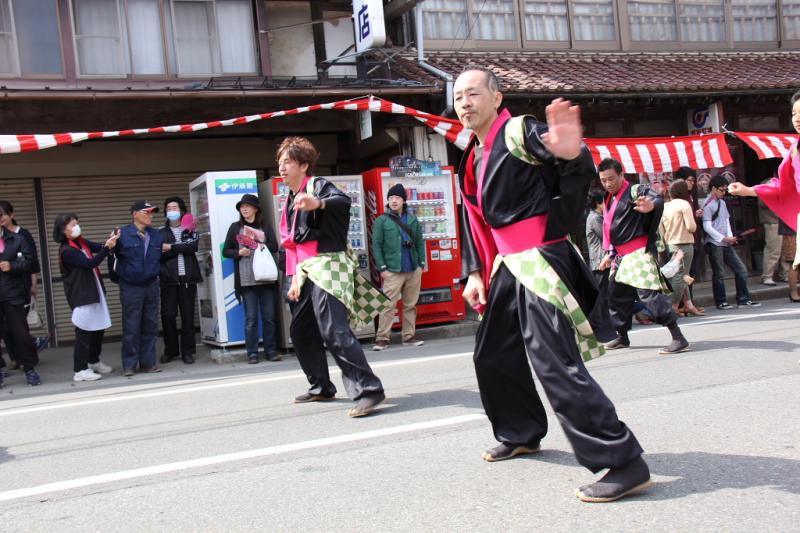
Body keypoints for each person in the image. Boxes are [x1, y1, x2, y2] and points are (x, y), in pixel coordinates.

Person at [453, 66, 649, 503]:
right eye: (459, 96)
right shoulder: (472, 154)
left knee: (553, 361)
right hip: (507, 262)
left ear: (497, 98)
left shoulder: (520, 131)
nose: (465, 102)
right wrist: (474, 273)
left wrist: (572, 153)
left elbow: (569, 160)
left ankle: (623, 461)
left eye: (474, 93)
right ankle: (520, 431)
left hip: (539, 258)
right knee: (493, 353)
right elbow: (475, 222)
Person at [279, 136, 387, 418]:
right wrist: (294, 279)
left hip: (327, 265)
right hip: (304, 270)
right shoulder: (290, 198)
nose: (282, 168)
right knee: (301, 330)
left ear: (303, 165)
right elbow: (292, 244)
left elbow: (342, 201)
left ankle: (369, 390)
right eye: (280, 162)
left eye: (287, 162)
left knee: (333, 329)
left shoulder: (317, 185)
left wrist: (317, 203)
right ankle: (321, 386)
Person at [598, 158, 690, 354]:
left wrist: (651, 206)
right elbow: (615, 229)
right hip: (621, 256)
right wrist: (610, 253)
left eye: (611, 179)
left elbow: (655, 199)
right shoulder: (609, 197)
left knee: (649, 296)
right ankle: (622, 336)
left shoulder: (635, 190)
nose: (607, 184)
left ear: (621, 175)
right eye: (603, 180)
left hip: (638, 253)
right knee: (616, 296)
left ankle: (678, 337)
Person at [54, 213, 117, 382]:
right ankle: (80, 370)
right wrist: (106, 248)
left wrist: (110, 241)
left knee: (98, 329)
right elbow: (89, 263)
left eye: (77, 223)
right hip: (82, 295)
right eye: (72, 225)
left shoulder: (80, 241)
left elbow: (98, 247)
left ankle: (93, 361)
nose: (76, 227)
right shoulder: (67, 250)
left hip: (94, 291)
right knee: (84, 333)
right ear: (63, 230)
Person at [222, 193, 280, 364]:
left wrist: (258, 244)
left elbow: (274, 246)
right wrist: (239, 252)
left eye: (247, 206)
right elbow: (226, 251)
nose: (244, 209)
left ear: (255, 209)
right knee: (251, 319)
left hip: (266, 278)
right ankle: (252, 353)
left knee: (269, 317)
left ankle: (271, 350)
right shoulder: (235, 228)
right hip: (247, 280)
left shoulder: (265, 225)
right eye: (242, 207)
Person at [371, 183, 426, 351]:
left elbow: (419, 242)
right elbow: (377, 245)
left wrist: (421, 264)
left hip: (413, 268)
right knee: (388, 305)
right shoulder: (381, 221)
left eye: (397, 198)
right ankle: (382, 338)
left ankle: (408, 336)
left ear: (403, 200)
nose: (394, 201)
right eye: (391, 198)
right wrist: (382, 268)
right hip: (392, 270)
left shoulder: (412, 220)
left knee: (410, 305)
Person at [112, 200, 164, 376]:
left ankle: (148, 363)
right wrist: (121, 278)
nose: (150, 216)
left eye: (151, 212)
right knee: (131, 326)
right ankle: (129, 364)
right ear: (135, 214)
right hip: (131, 286)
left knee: (151, 325)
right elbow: (112, 258)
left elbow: (158, 259)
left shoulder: (156, 235)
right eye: (146, 212)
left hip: (151, 285)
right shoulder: (122, 234)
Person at [0, 200, 48, 372]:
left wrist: (33, 284)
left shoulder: (22, 235)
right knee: (5, 327)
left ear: (11, 215)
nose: (1, 218)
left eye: (3, 215)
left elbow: (32, 262)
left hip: (20, 286)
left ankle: (27, 359)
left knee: (19, 326)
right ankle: (15, 357)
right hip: (4, 286)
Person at [702, 176, 761, 310]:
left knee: (741, 269)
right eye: (721, 190)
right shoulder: (707, 204)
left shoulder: (722, 203)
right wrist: (724, 238)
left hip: (725, 242)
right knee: (719, 273)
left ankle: (743, 299)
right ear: (713, 189)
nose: (724, 193)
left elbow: (726, 220)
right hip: (715, 243)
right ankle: (721, 301)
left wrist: (730, 237)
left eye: (725, 190)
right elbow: (707, 227)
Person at [159, 197, 202, 365]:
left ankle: (188, 351)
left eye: (174, 207)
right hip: (168, 279)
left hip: (188, 278)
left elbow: (192, 247)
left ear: (182, 210)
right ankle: (171, 350)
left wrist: (170, 247)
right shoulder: (159, 232)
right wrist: (179, 248)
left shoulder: (191, 228)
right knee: (168, 315)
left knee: (188, 316)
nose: (171, 210)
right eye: (168, 208)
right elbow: (158, 253)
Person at [660, 179, 704, 316]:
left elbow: (661, 227)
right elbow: (691, 227)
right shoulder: (684, 204)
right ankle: (672, 306)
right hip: (684, 243)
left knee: (681, 275)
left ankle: (688, 305)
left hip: (670, 244)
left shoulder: (665, 205)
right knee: (680, 276)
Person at [757, 181, 783, 286]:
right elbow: (762, 202)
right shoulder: (768, 183)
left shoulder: (787, 181)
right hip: (772, 220)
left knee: (786, 250)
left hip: (785, 220)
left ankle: (784, 274)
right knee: (773, 249)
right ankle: (767, 276)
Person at [585, 189, 606, 284]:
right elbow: (606, 237)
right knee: (603, 290)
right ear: (598, 203)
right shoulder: (595, 218)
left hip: (601, 261)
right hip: (600, 261)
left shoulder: (595, 216)